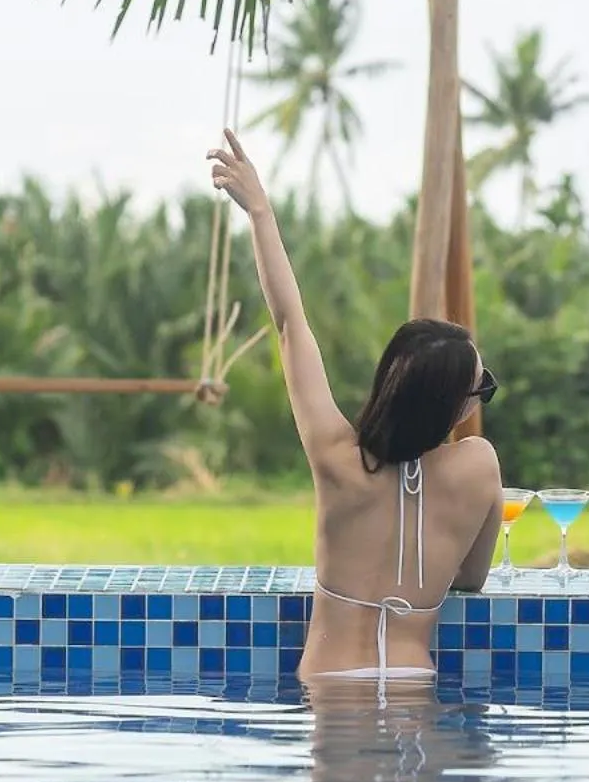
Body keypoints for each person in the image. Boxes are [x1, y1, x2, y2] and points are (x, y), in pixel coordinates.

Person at [209, 130, 503, 678]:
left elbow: (290, 323)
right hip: (415, 686)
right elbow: (469, 579)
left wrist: (260, 212)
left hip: (331, 684)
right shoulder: (479, 466)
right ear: (456, 407)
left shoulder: (336, 459)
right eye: (483, 388)